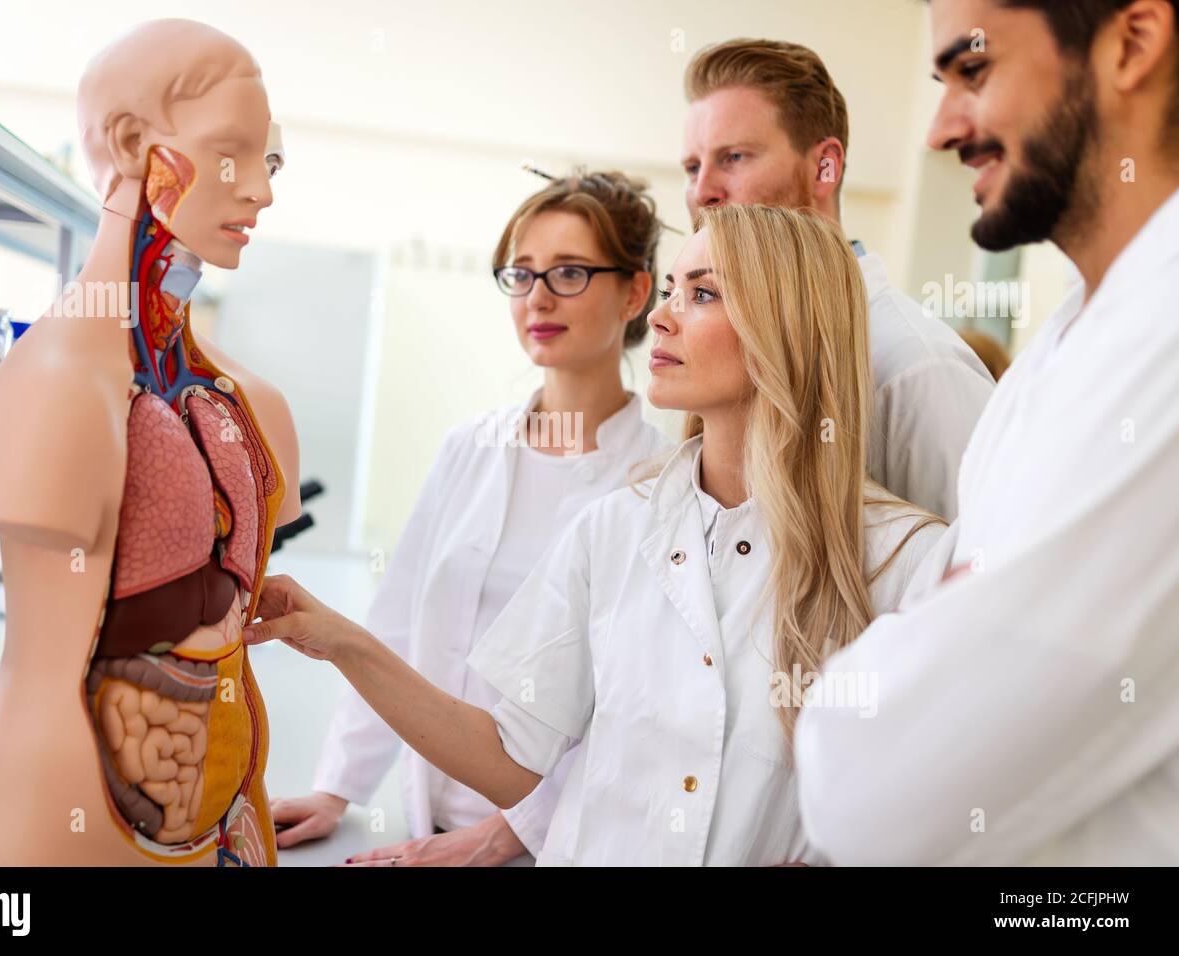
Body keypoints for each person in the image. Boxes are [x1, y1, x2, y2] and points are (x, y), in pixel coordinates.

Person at [246, 204, 946, 866]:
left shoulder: (903, 560)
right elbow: (512, 756)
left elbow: (932, 807)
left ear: (790, 326)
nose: (664, 319)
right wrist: (344, 643)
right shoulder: (614, 527)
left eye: (702, 295)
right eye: (673, 289)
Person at [795, 0, 1179, 865]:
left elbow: (876, 792)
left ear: (1134, 44)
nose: (941, 130)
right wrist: (947, 625)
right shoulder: (1060, 346)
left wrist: (923, 641)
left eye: (974, 70)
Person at [270, 170, 670, 865]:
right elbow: (396, 627)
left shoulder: (659, 484)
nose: (537, 297)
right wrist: (338, 788)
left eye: (570, 272)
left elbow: (636, 711)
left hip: (560, 845)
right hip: (425, 822)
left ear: (635, 292)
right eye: (521, 274)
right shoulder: (471, 448)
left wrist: (504, 837)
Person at [681, 38, 995, 520]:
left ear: (824, 168)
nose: (703, 192)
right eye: (692, 167)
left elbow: (967, 575)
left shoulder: (919, 370)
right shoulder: (719, 352)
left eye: (734, 158)